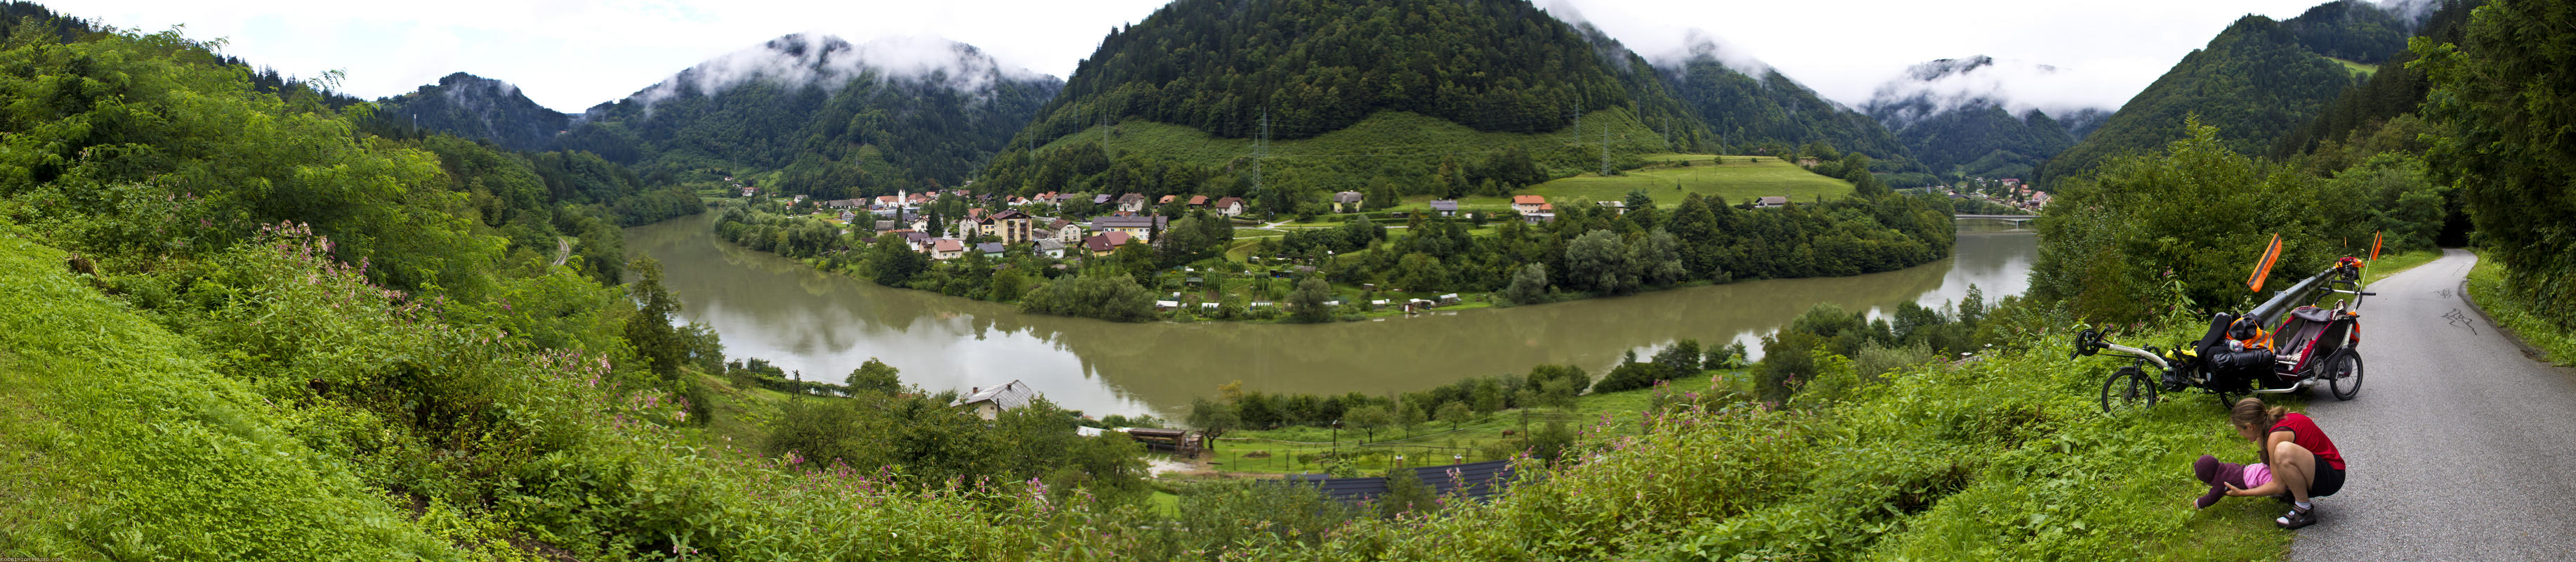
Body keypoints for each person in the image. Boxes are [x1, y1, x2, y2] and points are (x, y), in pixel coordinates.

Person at [2229, 398, 2346, 529]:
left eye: (2239, 430)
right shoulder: (2265, 430)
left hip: (2333, 476)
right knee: (2280, 453)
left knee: (2283, 451)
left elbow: (2279, 486)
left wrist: (2242, 493)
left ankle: (2304, 510)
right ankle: (2295, 496)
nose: (2240, 434)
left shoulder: (2275, 436)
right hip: (2317, 471)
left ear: (2250, 427)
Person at [2190, 455, 2278, 509]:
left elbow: (2212, 497)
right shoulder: (2225, 467)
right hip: (2251, 469)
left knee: (2277, 482)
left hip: (2252, 479)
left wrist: (2200, 503)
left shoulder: (2221, 482)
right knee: (2271, 471)